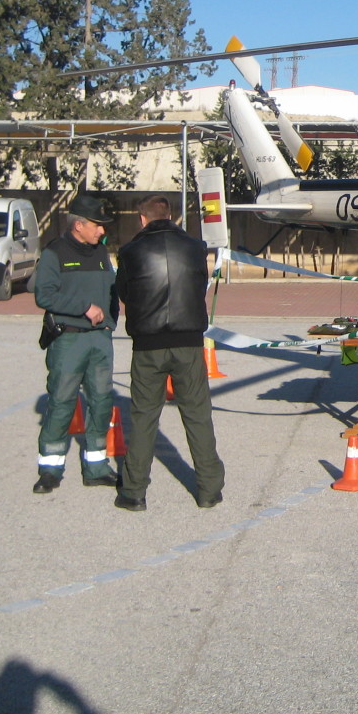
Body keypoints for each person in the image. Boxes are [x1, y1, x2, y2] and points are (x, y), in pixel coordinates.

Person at [113, 193, 224, 511]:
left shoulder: (130, 251)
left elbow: (123, 292)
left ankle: (134, 491)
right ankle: (209, 489)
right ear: (171, 216)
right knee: (198, 415)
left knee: (144, 417)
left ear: (142, 218)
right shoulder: (194, 247)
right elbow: (199, 284)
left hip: (147, 345)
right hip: (189, 341)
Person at [31, 194, 120, 494]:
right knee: (61, 403)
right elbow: (44, 295)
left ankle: (96, 466)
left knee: (102, 402)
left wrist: (110, 322)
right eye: (97, 226)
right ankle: (50, 468)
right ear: (78, 225)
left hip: (99, 340)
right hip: (68, 340)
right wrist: (84, 306)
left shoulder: (101, 253)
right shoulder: (54, 253)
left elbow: (111, 290)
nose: (102, 232)